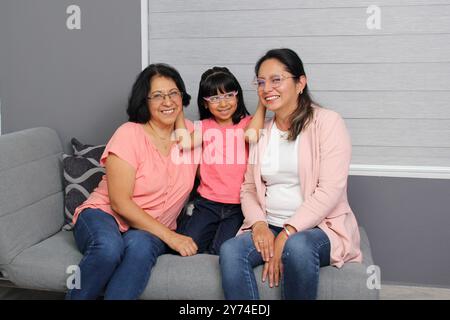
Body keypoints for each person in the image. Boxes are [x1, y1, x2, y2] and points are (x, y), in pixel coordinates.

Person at [219, 48, 362, 300]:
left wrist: (288, 231)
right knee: (231, 250)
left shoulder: (328, 122)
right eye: (261, 82)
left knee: (297, 247)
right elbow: (249, 188)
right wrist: (260, 224)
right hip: (270, 222)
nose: (266, 88)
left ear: (300, 83)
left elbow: (329, 190)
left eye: (276, 80)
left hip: (319, 228)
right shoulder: (261, 132)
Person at [66, 63, 198, 300]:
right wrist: (172, 238)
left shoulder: (191, 135)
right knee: (108, 249)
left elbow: (234, 135)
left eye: (173, 93)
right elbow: (119, 203)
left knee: (140, 248)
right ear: (144, 101)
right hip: (105, 213)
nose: (167, 101)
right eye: (157, 96)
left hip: (149, 229)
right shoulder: (129, 133)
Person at [175, 66, 266, 255]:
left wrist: (263, 103)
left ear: (237, 96)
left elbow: (253, 136)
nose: (223, 103)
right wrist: (177, 109)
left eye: (228, 95)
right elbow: (184, 142)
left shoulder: (247, 124)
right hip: (207, 203)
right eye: (214, 98)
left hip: (239, 206)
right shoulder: (205, 127)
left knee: (221, 250)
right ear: (205, 104)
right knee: (191, 247)